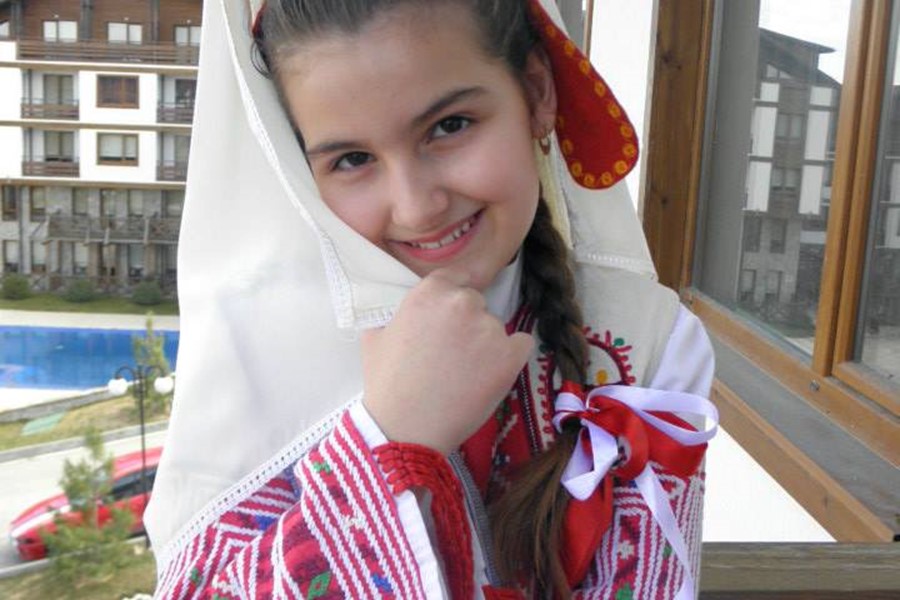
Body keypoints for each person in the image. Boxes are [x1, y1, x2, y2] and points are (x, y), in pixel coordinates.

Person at [145, 0, 718, 598]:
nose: (417, 207)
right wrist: (392, 437)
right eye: (353, 159)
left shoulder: (648, 341)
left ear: (536, 92)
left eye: (450, 126)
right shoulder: (255, 370)